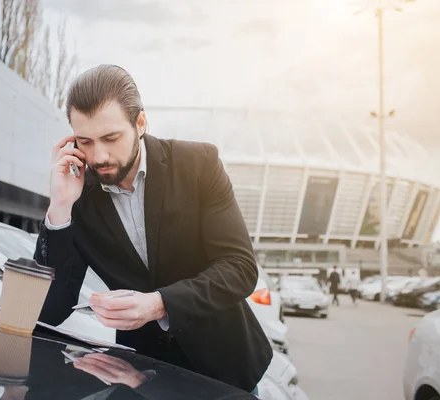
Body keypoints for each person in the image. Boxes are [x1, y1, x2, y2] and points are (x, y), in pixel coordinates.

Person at [33, 64, 272, 393]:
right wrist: (59, 209)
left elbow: (240, 268)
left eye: (111, 138)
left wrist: (159, 303)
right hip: (141, 377)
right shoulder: (79, 197)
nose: (98, 156)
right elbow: (50, 310)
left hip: (226, 371)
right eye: (85, 141)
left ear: (140, 123)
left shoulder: (198, 164)